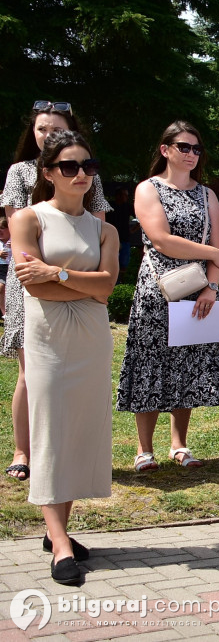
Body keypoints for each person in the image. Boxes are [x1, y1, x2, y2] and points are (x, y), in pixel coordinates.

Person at [11, 130, 118, 584]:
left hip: (92, 338)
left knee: (77, 433)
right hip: (48, 336)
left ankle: (59, 531)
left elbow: (107, 287)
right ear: (49, 171)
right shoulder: (27, 219)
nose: (81, 175)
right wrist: (82, 280)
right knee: (52, 430)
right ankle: (59, 544)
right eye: (70, 167)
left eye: (88, 166)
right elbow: (30, 285)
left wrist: (57, 271)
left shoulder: (105, 228)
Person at [2, 101, 111, 482]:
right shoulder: (19, 172)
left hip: (69, 272)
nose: (47, 135)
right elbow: (25, 248)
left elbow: (97, 233)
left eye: (55, 128)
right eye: (41, 129)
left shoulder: (87, 176)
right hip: (30, 280)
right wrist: (70, 279)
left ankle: (70, 459)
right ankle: (24, 450)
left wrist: (67, 275)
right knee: (31, 373)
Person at [117, 121, 219, 472]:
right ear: (165, 150)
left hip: (198, 291)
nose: (192, 154)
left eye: (197, 149)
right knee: (149, 365)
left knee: (189, 366)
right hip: (157, 290)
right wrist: (211, 255)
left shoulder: (207, 194)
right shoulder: (148, 189)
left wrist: (211, 287)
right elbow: (162, 239)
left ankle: (179, 445)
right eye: (184, 147)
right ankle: (144, 449)